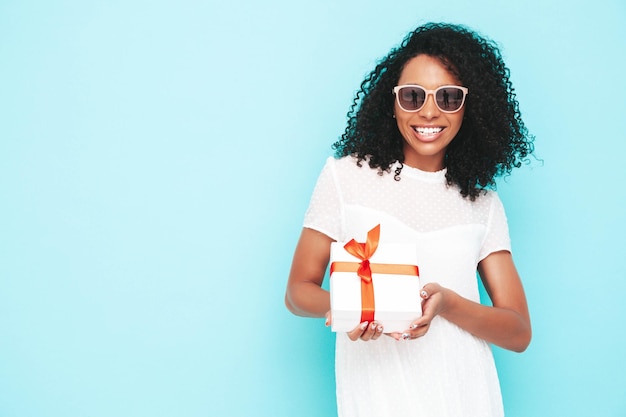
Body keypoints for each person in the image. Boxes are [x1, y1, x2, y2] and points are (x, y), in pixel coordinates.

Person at [285, 22, 533, 417]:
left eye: (448, 97)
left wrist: (449, 304)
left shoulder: (482, 204)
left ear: (470, 107)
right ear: (393, 102)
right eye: (413, 96)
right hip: (378, 399)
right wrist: (357, 309)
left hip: (467, 398)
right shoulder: (345, 177)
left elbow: (518, 331)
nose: (429, 111)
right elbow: (298, 291)